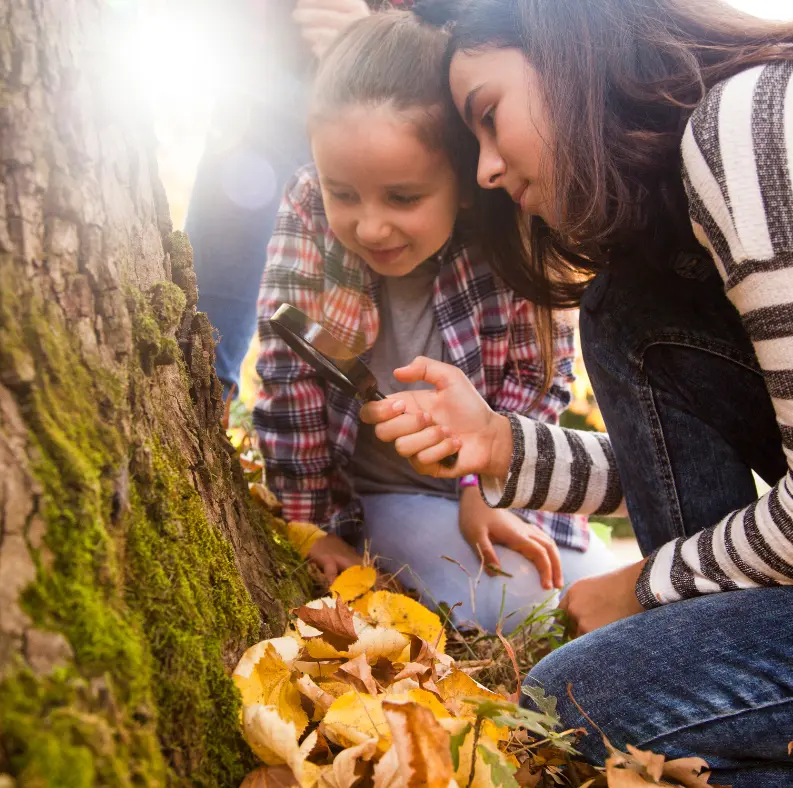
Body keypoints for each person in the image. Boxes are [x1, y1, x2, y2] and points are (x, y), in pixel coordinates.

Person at [361, 0, 793, 784]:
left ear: (568, 45)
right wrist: (506, 446)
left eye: (489, 116)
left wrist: (646, 589)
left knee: (582, 704)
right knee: (627, 312)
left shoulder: (757, 130)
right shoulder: (714, 173)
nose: (486, 171)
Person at [253, 10, 618, 632]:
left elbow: (534, 382)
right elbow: (289, 379)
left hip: (490, 482)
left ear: (466, 181)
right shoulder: (309, 210)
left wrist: (484, 490)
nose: (369, 226)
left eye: (403, 197)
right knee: (516, 611)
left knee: (603, 599)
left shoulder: (510, 242)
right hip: (379, 493)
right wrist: (309, 527)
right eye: (345, 193)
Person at [185, 0, 411, 396]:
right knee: (205, 332)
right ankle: (202, 395)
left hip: (390, 94)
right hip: (271, 78)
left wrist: (377, 46)